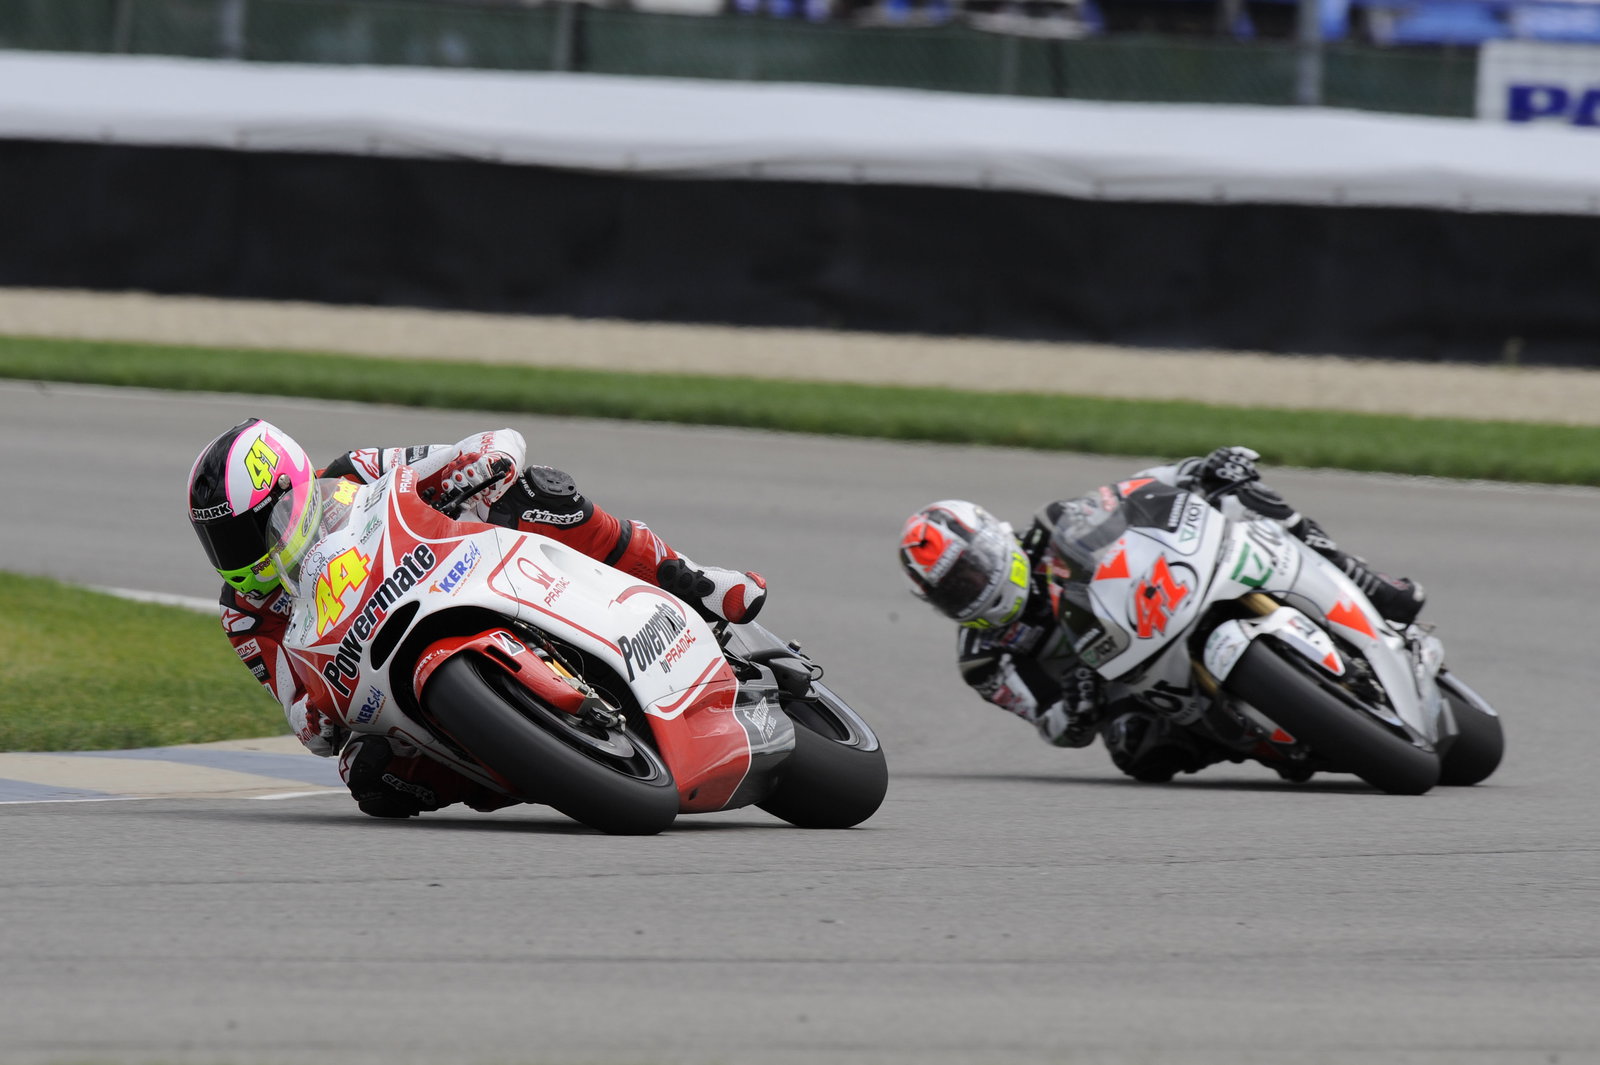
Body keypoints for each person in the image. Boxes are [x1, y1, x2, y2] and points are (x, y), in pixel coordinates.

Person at [187, 418, 767, 819]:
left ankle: (691, 580)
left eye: (245, 532)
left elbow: (477, 450)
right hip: (375, 674)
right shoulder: (242, 614)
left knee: (539, 492)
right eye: (220, 541)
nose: (236, 554)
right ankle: (532, 763)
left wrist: (478, 464)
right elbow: (295, 708)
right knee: (369, 777)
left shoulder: (357, 470)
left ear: (294, 488)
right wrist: (313, 721)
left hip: (455, 566)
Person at [896, 446, 1425, 783]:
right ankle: (1270, 738)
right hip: (1122, 685)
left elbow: (1134, 493)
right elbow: (1047, 723)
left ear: (995, 538)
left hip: (1162, 603)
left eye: (973, 568)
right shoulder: (983, 658)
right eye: (953, 590)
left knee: (1250, 502)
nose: (973, 587)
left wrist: (1199, 471)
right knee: (1136, 751)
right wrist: (1075, 710)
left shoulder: (1053, 527)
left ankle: (1369, 584)